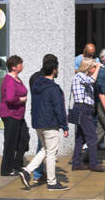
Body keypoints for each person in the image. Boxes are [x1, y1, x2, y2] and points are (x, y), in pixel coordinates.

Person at [19, 55, 68, 191]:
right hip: (50, 123)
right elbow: (59, 108)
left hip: (38, 122)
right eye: (57, 69)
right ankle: (52, 182)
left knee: (44, 150)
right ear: (54, 70)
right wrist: (64, 126)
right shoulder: (54, 88)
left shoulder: (36, 84)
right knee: (52, 153)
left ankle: (27, 171)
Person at [70, 57, 104, 172]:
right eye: (93, 66)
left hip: (85, 109)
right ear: (89, 67)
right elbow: (92, 81)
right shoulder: (80, 76)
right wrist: (99, 66)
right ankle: (93, 164)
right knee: (92, 137)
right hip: (82, 109)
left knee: (80, 138)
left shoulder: (84, 77)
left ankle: (76, 163)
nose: (95, 69)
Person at [0, 55, 29, 176]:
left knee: (24, 139)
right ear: (14, 67)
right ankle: (6, 169)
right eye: (20, 64)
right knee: (10, 142)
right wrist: (21, 100)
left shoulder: (17, 79)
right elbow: (10, 98)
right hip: (10, 115)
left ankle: (17, 163)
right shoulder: (10, 80)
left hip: (19, 115)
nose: (22, 66)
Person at [95, 49, 105, 154]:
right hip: (104, 104)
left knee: (100, 130)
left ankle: (85, 156)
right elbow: (101, 91)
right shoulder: (103, 71)